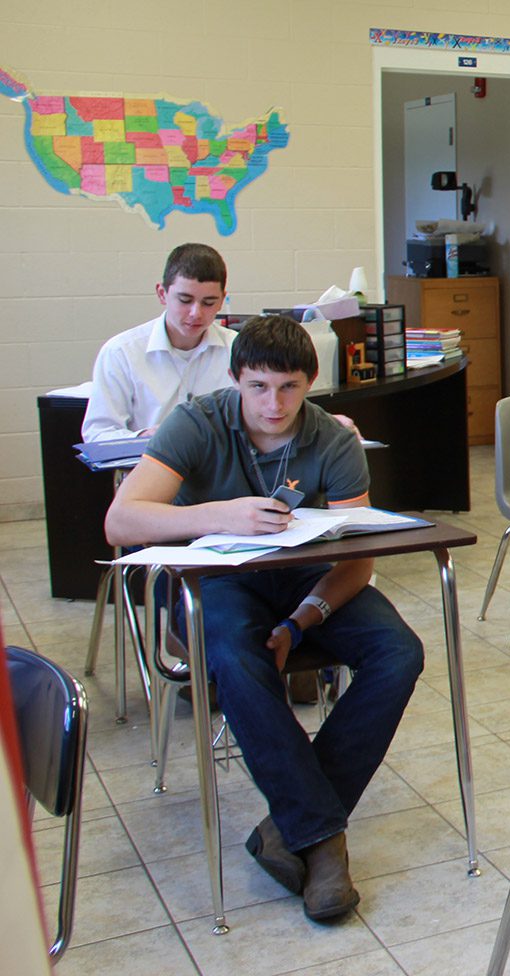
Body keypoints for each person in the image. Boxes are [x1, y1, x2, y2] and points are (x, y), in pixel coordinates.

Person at [103, 315, 424, 923]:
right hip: (215, 577)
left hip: (306, 577)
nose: (273, 404)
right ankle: (322, 842)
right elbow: (122, 521)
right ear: (235, 379)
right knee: (233, 656)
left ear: (310, 383)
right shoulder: (196, 423)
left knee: (399, 652)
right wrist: (220, 515)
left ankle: (290, 826)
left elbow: (357, 560)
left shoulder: (333, 439)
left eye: (288, 388)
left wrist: (302, 622)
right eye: (258, 387)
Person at [83, 243, 235, 442]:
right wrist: (145, 437)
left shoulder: (236, 348)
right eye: (185, 300)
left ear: (222, 300)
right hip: (145, 458)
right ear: (162, 294)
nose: (195, 313)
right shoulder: (121, 352)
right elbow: (97, 434)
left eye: (208, 303)